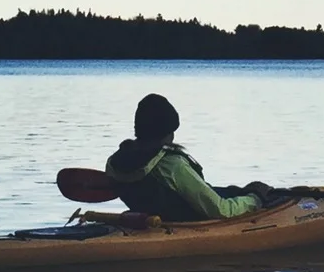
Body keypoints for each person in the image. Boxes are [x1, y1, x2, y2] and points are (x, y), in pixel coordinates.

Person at [102, 93, 272, 221]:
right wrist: (254, 199)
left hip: (151, 219)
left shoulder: (114, 162)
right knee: (255, 195)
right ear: (167, 133)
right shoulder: (173, 165)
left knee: (233, 191)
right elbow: (221, 211)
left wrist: (240, 193)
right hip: (187, 223)